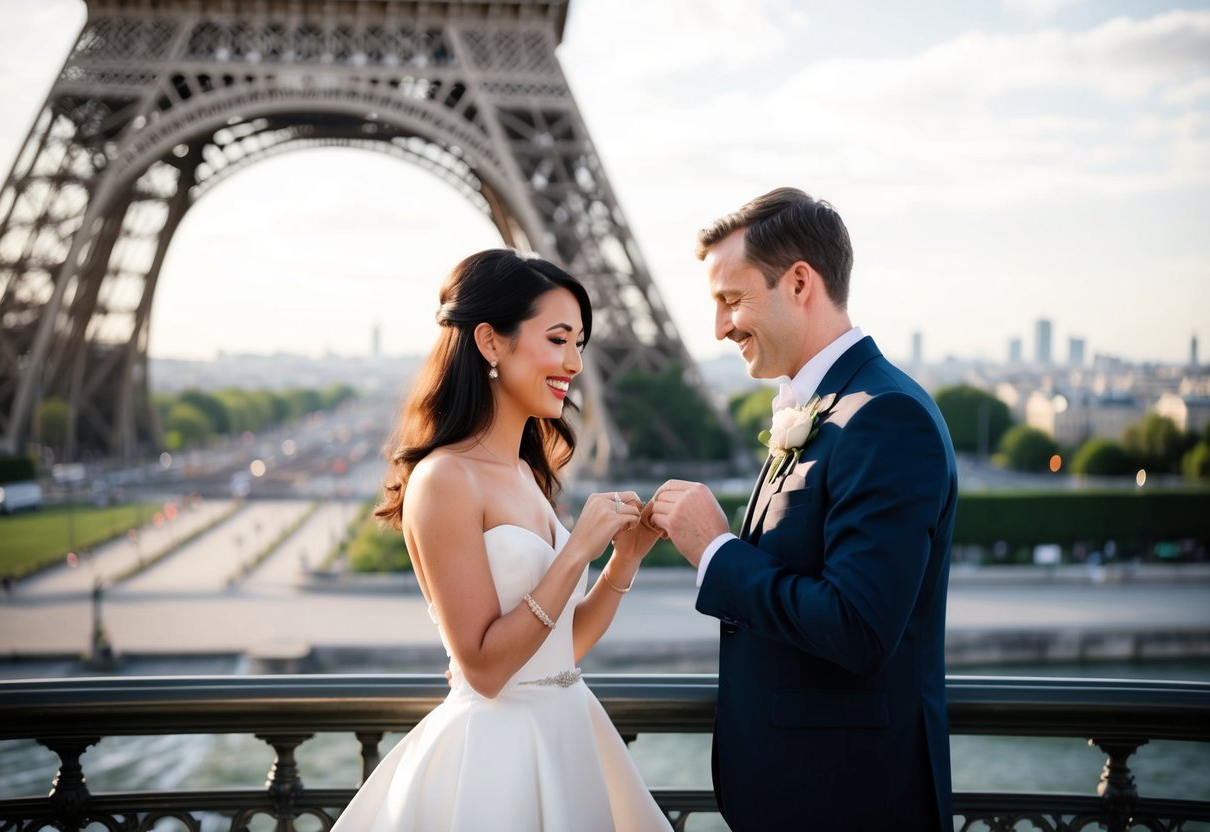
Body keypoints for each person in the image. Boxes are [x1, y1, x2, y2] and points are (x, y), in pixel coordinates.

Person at [645, 188, 957, 831]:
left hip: (848, 804)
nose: (719, 327)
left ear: (798, 282)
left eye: (732, 300)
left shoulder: (885, 418)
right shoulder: (834, 408)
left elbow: (859, 627)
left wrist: (715, 551)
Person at [331, 249, 671, 832]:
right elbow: (487, 669)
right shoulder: (445, 479)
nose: (574, 362)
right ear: (491, 342)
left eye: (579, 344)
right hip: (497, 756)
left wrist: (621, 562)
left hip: (566, 730)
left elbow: (560, 649)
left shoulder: (525, 473)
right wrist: (575, 551)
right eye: (559, 339)